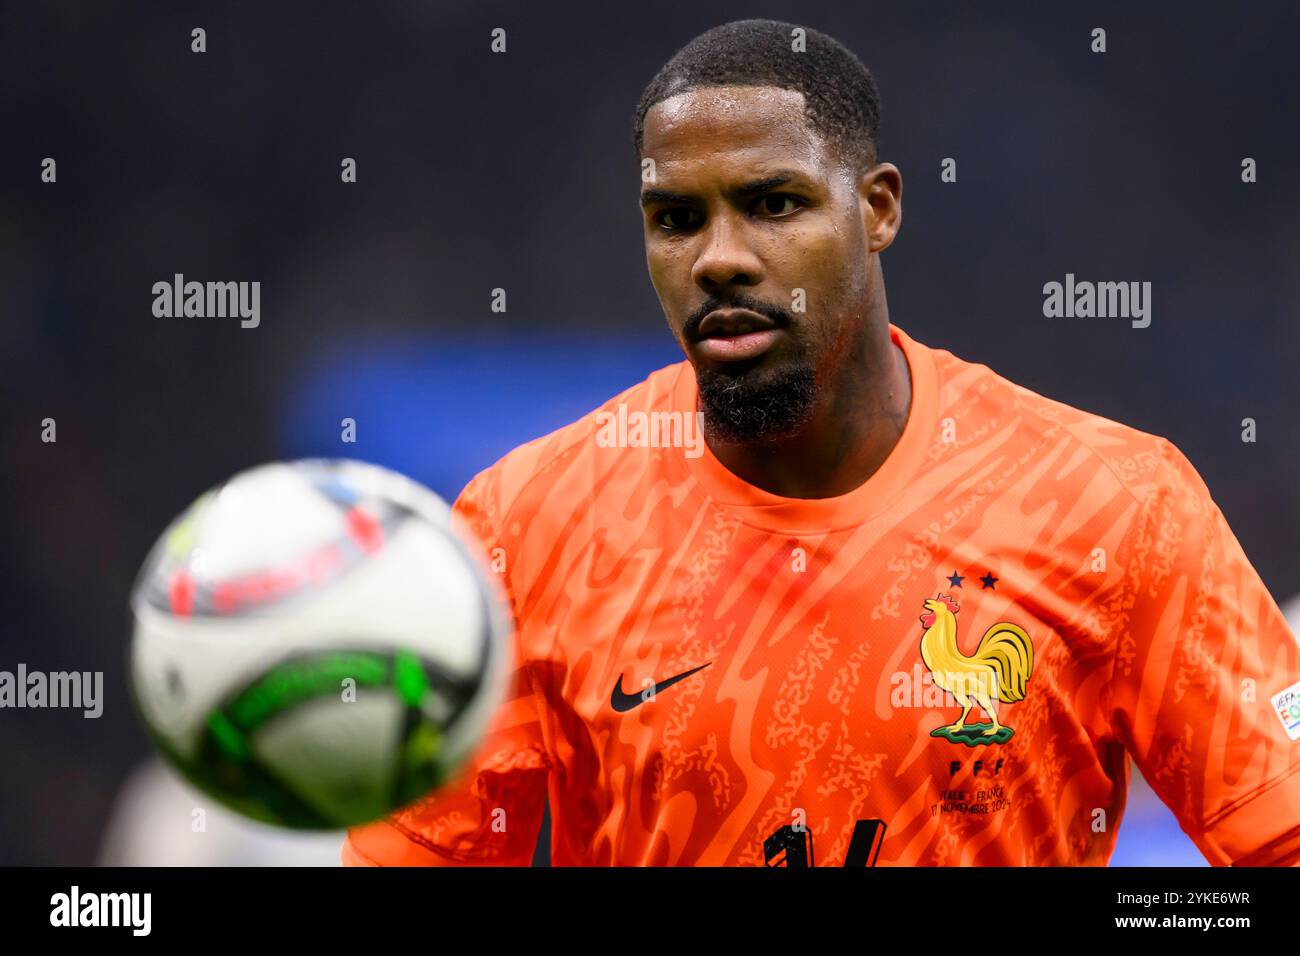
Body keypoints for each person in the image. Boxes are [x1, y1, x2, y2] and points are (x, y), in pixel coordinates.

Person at [344, 19, 1300, 866]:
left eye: (773, 203)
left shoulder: (1115, 505)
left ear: (877, 208)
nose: (718, 256)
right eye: (676, 219)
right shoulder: (523, 526)